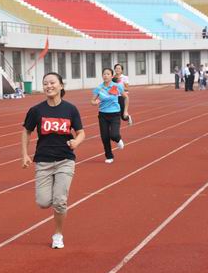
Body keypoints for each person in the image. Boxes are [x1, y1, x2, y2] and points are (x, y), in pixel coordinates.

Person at [21, 72, 85, 249]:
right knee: (43, 202)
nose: (49, 86)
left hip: (65, 160)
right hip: (43, 162)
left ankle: (58, 234)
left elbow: (81, 132)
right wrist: (25, 154)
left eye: (52, 83)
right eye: (45, 83)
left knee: (59, 201)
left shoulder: (70, 109)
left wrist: (76, 142)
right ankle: (55, 203)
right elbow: (26, 131)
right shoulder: (36, 110)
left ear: (61, 86)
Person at [91, 68, 129, 164]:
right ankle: (109, 156)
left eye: (108, 74)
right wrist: (95, 102)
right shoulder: (99, 88)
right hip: (103, 114)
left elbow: (126, 97)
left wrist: (125, 112)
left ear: (112, 76)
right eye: (104, 74)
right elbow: (92, 101)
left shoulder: (117, 86)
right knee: (105, 137)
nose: (105, 76)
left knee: (114, 135)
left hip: (115, 114)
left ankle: (118, 139)